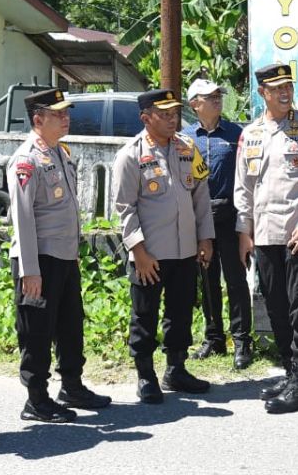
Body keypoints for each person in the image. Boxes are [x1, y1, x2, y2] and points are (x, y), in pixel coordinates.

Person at [235, 63, 298, 414]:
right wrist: (243, 232)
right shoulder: (250, 134)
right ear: (262, 92)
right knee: (275, 305)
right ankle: (291, 371)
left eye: (288, 87)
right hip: (265, 235)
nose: (284, 93)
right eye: (276, 88)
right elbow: (244, 188)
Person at [8, 88, 111, 423]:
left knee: (70, 325)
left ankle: (72, 386)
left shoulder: (60, 152)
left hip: (63, 257)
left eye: (66, 113)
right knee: (37, 330)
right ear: (38, 120)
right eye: (58, 114)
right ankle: (36, 399)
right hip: (39, 259)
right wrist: (30, 270)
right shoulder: (26, 160)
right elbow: (23, 220)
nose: (66, 118)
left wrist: (73, 254)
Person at [114, 88, 215, 404]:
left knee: (181, 311)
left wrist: (205, 238)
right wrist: (138, 251)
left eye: (175, 114)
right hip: (151, 254)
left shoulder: (187, 148)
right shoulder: (130, 154)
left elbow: (200, 196)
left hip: (185, 250)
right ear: (146, 118)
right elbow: (123, 207)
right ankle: (146, 375)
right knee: (144, 315)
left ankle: (176, 369)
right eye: (165, 114)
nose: (173, 120)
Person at [183, 78, 252, 369]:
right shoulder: (185, 139)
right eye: (209, 97)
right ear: (195, 104)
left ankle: (242, 341)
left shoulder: (237, 134)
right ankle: (214, 338)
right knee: (207, 280)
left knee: (236, 280)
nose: (216, 100)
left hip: (230, 216)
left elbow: (248, 178)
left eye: (218, 96)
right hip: (199, 218)